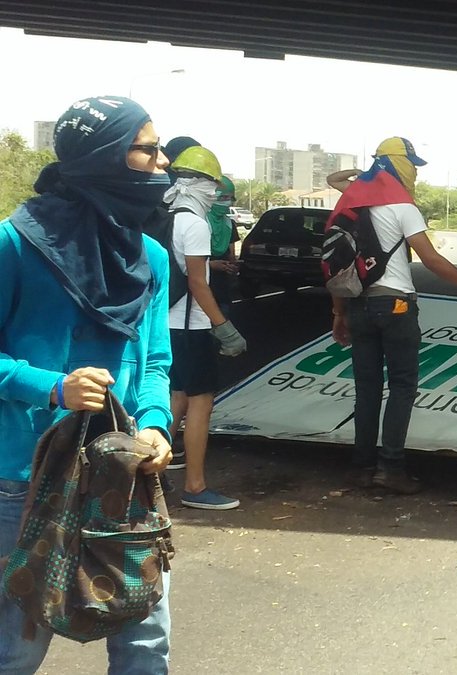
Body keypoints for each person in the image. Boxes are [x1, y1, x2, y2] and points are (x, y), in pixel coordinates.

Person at [0, 95, 174, 672]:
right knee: (16, 647)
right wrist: (52, 387)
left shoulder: (148, 254)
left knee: (145, 640)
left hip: (123, 477)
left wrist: (152, 425)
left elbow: (153, 363)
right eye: (148, 150)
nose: (162, 163)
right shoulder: (15, 245)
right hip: (24, 482)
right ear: (105, 156)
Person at [330, 137, 457, 494]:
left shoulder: (352, 200)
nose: (416, 174)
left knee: (366, 389)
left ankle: (360, 467)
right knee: (402, 388)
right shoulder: (401, 205)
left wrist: (338, 313)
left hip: (357, 305)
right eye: (412, 165)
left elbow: (334, 180)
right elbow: (432, 259)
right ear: (398, 165)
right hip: (396, 306)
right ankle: (390, 468)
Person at [164, 146, 246, 510]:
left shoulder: (166, 217)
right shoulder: (195, 224)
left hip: (164, 323)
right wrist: (223, 326)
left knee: (175, 399)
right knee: (201, 402)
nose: (215, 193)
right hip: (190, 325)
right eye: (212, 185)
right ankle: (195, 486)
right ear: (198, 185)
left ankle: (144, 474)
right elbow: (199, 283)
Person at [207, 175, 240, 317]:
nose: (227, 203)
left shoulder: (229, 224)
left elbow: (231, 254)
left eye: (230, 198)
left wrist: (233, 267)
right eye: (222, 198)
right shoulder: (199, 223)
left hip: (222, 285)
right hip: (202, 285)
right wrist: (210, 265)